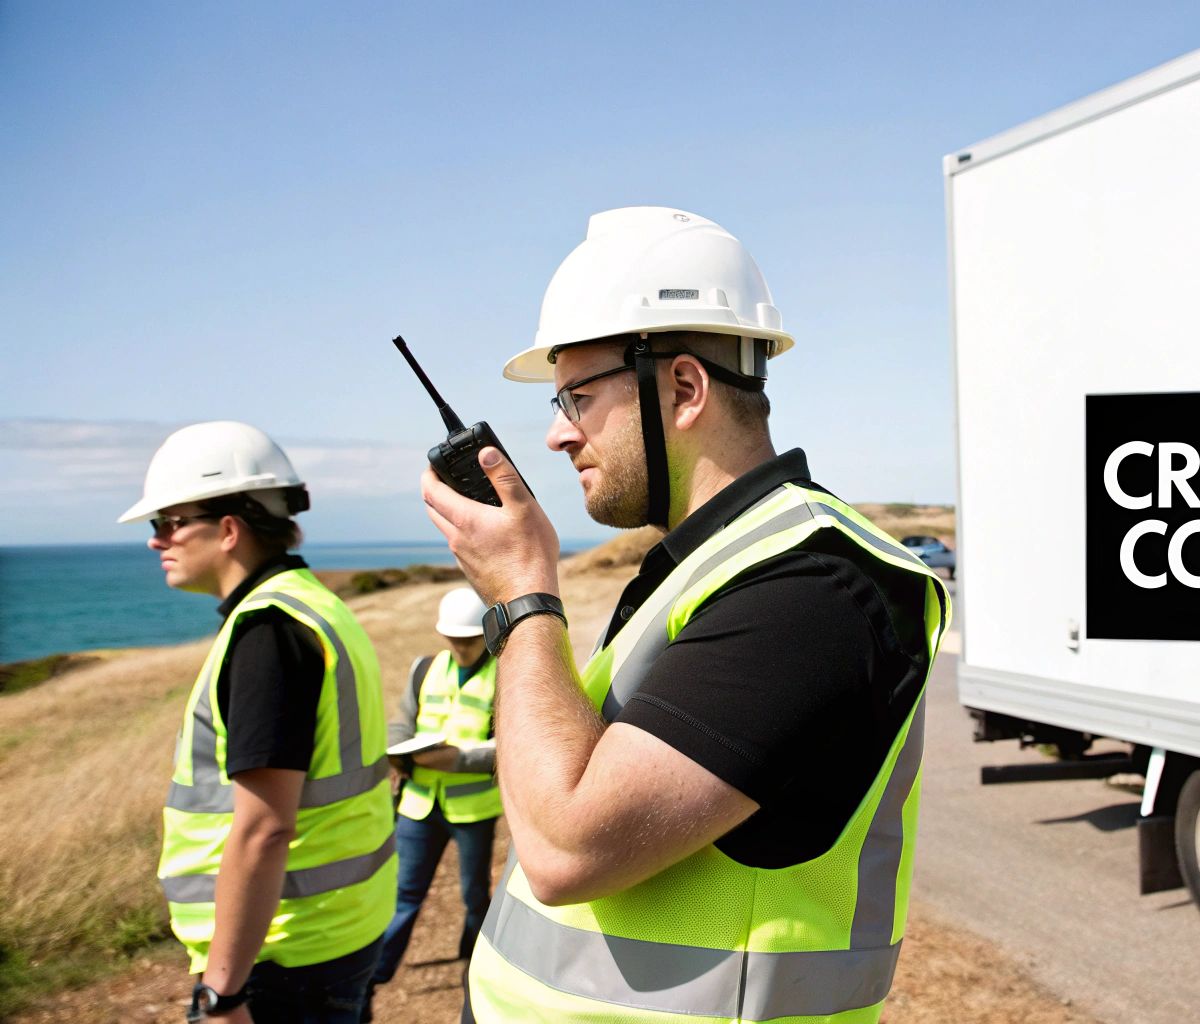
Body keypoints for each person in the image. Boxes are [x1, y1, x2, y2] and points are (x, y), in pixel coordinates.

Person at [420, 206, 950, 1023]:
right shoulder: (706, 567)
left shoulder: (811, 588)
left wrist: (524, 596)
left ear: (684, 386)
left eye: (576, 397)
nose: (559, 436)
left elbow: (565, 848)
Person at [120, 421, 396, 1024]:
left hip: (284, 957)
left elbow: (264, 829)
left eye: (168, 522)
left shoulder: (267, 632)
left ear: (227, 529)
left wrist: (223, 993)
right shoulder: (314, 604)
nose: (156, 540)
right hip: (335, 931)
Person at [368, 586, 500, 1000]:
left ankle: (473, 970)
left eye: (469, 639)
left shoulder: (507, 674)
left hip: (473, 810)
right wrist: (398, 753)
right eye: (454, 640)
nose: (461, 648)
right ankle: (373, 979)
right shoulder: (424, 669)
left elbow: (511, 746)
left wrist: (456, 760)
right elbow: (401, 723)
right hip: (419, 805)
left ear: (485, 634)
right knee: (403, 894)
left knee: (474, 895)